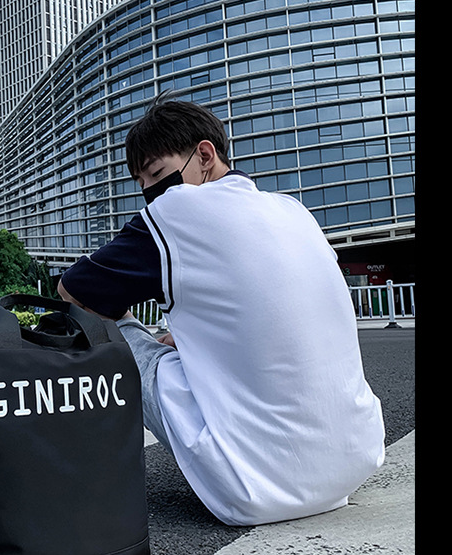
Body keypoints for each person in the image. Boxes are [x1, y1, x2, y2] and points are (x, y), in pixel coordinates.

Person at [58, 94, 385, 526]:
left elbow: (72, 290)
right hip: (355, 461)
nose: (149, 192)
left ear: (205, 155)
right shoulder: (293, 210)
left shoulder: (175, 210)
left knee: (103, 319)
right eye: (141, 182)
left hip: (252, 487)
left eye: (156, 173)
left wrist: (123, 316)